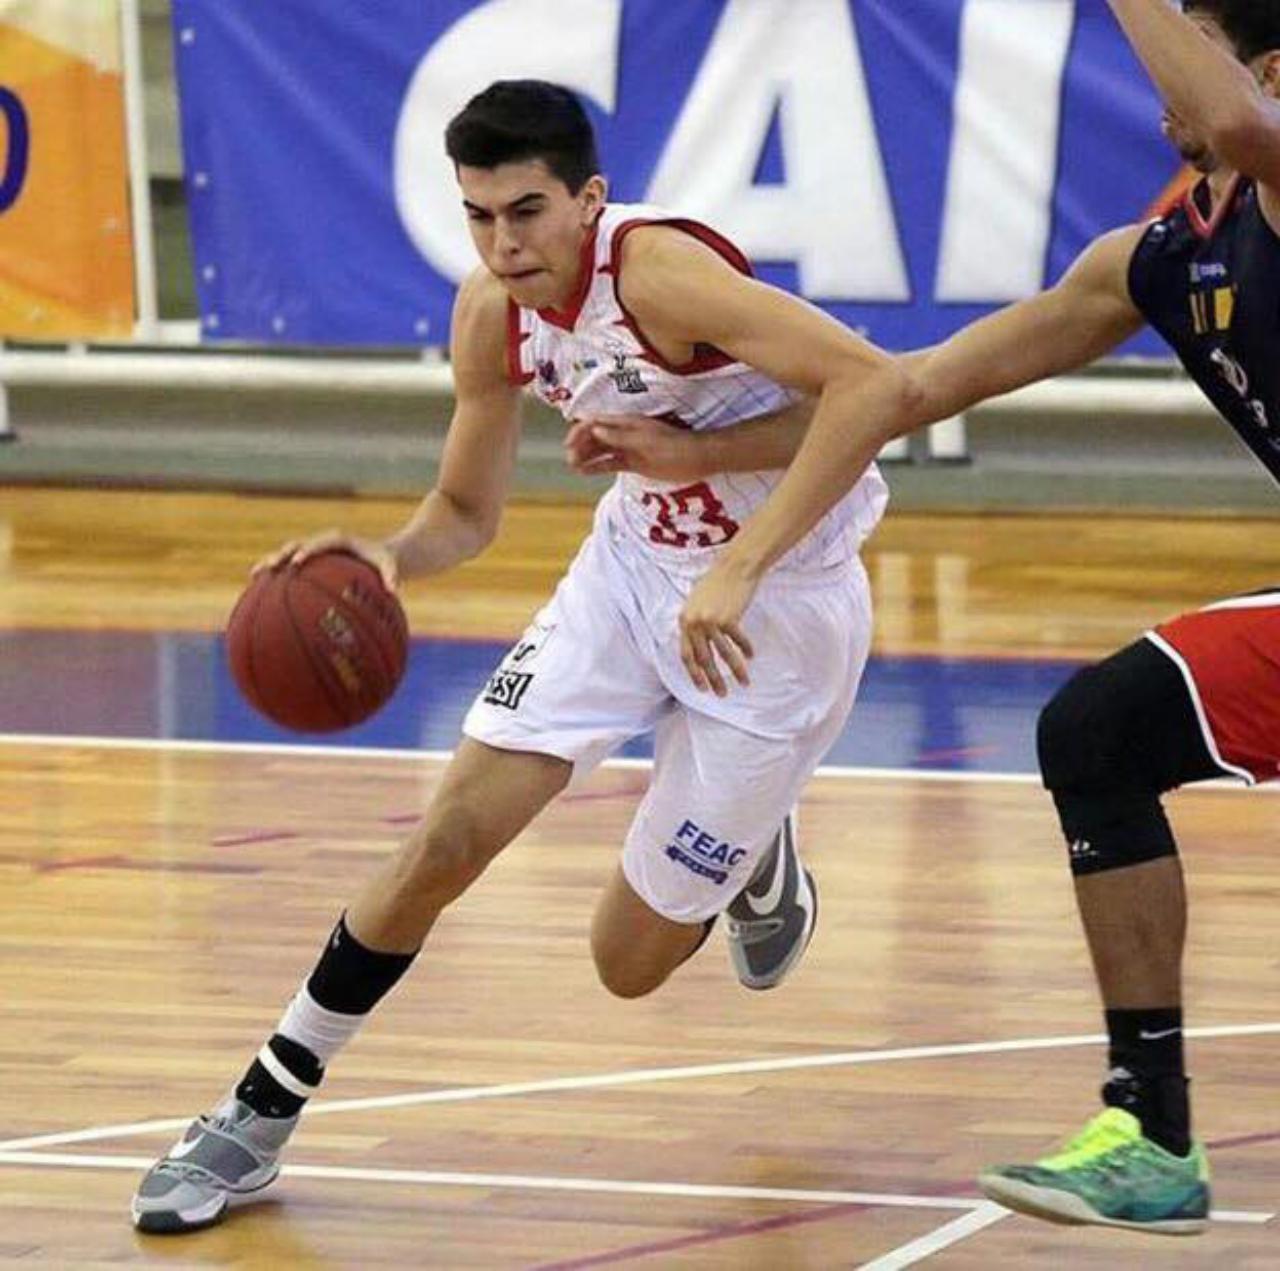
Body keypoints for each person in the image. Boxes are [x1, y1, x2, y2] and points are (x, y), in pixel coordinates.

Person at [130, 79, 917, 1233]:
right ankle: (255, 1111)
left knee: (626, 961)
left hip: (780, 601)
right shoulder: (488, 314)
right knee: (445, 836)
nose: (505, 243)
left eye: (529, 212)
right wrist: (393, 556)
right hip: (627, 578)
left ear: (587, 200)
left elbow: (876, 389)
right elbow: (466, 505)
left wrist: (726, 533)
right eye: (480, 216)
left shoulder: (657, 276)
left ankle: (755, 847)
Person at [675, 0, 1280, 1238]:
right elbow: (905, 388)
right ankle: (1149, 1131)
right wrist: (693, 459)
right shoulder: (1155, 255)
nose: (1155, 74)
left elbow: (1227, 117)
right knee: (1097, 734)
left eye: (1188, 37)